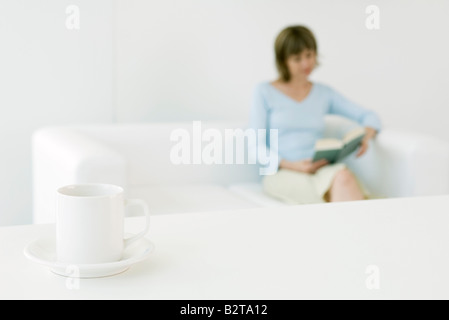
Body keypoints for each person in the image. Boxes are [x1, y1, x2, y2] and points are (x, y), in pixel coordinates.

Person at [249, 25, 381, 204]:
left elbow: (369, 116)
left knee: (344, 178)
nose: (306, 64)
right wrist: (293, 165)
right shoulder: (264, 92)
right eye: (297, 59)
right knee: (329, 194)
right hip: (284, 172)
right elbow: (254, 147)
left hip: (321, 169)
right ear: (283, 61)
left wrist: (367, 135)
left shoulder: (324, 93)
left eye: (309, 55)